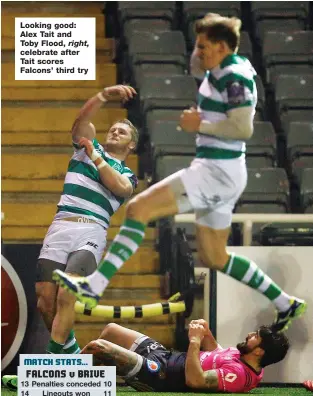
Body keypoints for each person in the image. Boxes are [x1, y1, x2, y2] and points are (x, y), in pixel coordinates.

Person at [53, 14, 306, 333]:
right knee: (215, 258)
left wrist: (199, 124)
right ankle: (285, 303)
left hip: (217, 172)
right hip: (220, 171)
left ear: (221, 48)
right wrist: (212, 30)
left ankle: (94, 285)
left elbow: (243, 128)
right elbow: (196, 67)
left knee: (138, 209)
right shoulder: (220, 65)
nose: (197, 51)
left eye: (203, 46)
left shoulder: (237, 76)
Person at [36, 84, 138, 355]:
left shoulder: (127, 174)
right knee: (45, 302)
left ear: (132, 144)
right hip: (60, 225)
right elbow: (81, 122)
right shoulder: (83, 148)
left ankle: (52, 361)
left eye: (123, 131)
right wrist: (104, 95)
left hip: (90, 231)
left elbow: (119, 188)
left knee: (67, 294)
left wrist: (95, 154)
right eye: (113, 129)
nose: (115, 132)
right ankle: (70, 355)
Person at [2, 319, 290, 393]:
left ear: (260, 350)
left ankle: (39, 380)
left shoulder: (240, 376)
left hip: (162, 375)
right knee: (112, 331)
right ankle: (76, 380)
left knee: (99, 348)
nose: (250, 335)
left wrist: (192, 342)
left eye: (255, 337)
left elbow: (196, 381)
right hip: (167, 356)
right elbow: (214, 353)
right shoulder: (241, 357)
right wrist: (206, 334)